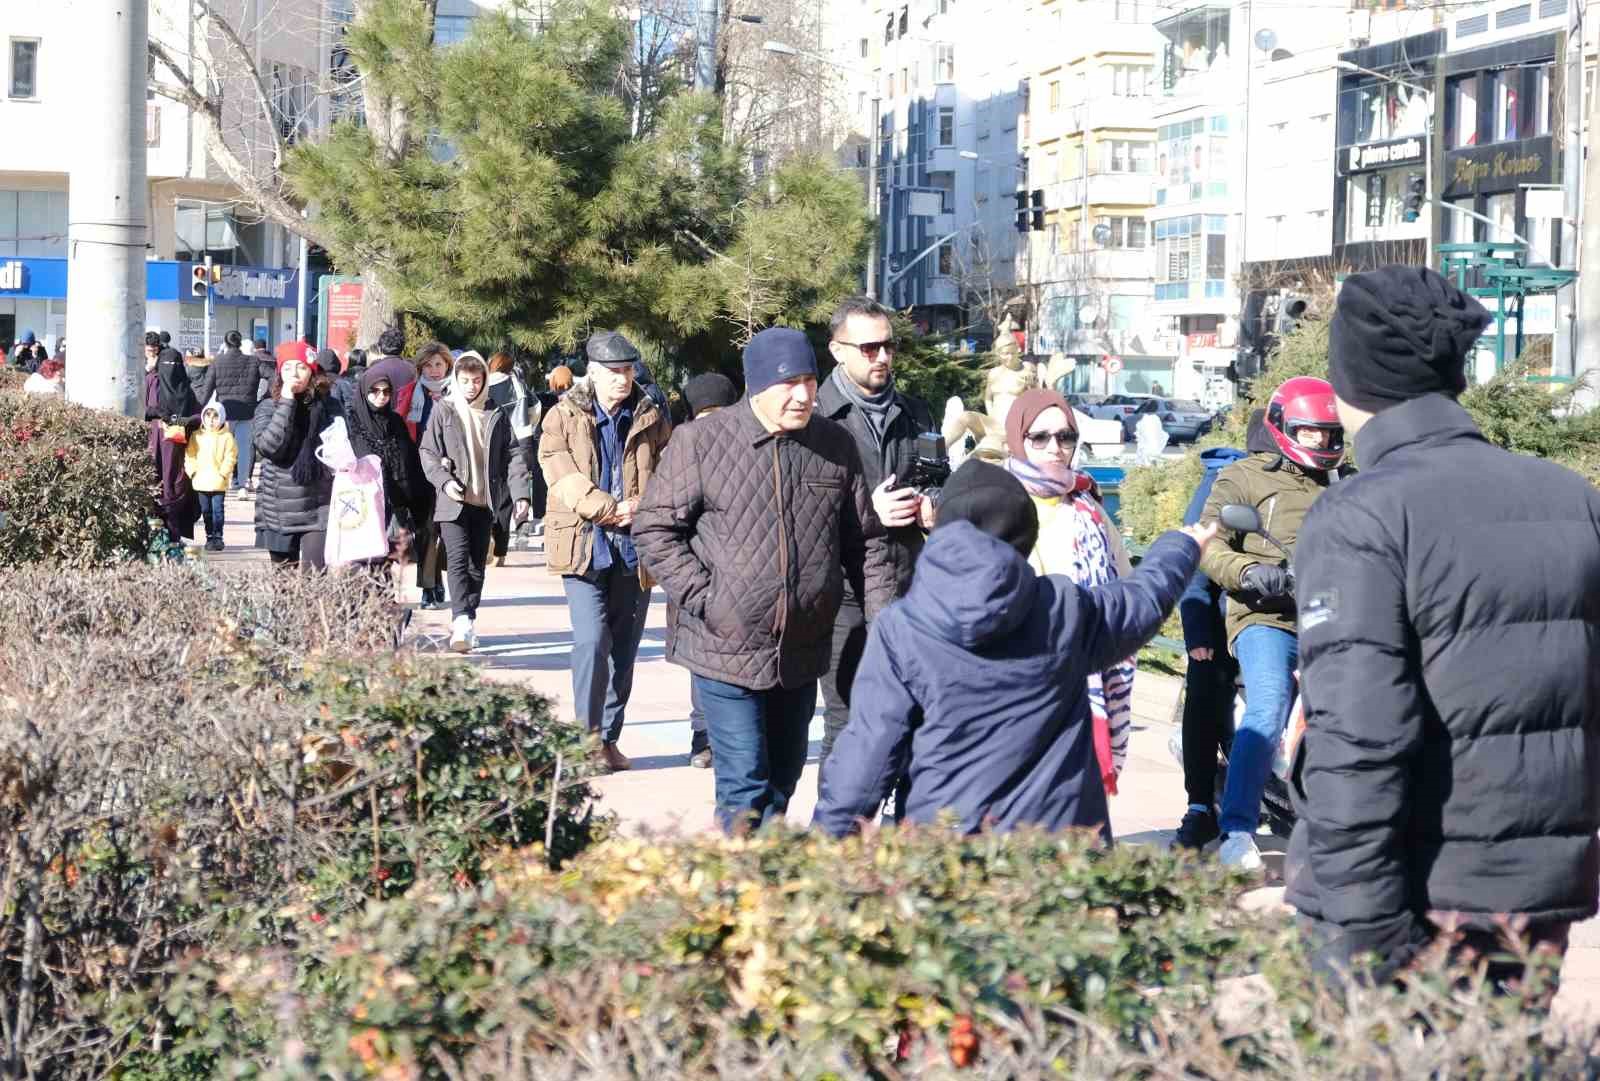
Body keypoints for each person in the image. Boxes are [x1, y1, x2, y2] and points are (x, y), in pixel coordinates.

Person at [1287, 265, 1600, 990]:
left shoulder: (1361, 515)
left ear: (1346, 381)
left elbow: (1358, 740)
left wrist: (1368, 933)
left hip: (1408, 900)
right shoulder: (1571, 498)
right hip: (1533, 905)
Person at [814, 460, 1215, 838]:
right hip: (1059, 850)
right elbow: (1139, 602)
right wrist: (1182, 546)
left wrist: (818, 858)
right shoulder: (1061, 608)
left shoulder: (902, 627)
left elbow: (866, 758)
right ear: (1024, 535)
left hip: (946, 851)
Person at [634, 327, 896, 832]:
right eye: (788, 384)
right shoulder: (701, 442)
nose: (802, 396)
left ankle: (769, 888)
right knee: (745, 786)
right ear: (756, 386)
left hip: (801, 650)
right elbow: (654, 528)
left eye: (810, 382)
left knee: (783, 778)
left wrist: (884, 623)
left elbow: (866, 541)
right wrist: (708, 598)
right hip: (724, 648)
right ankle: (743, 895)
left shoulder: (833, 444)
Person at [1199, 375, 1348, 872]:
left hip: (1340, 616)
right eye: (1312, 434)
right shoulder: (1245, 478)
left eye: (1331, 435)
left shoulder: (1352, 483)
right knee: (1268, 703)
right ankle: (1237, 832)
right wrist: (1248, 571)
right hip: (1269, 617)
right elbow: (1210, 542)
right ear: (1285, 427)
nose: (1324, 444)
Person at [814, 295, 938, 793]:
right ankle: (837, 844)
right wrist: (869, 513)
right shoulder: (815, 417)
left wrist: (935, 507)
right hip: (840, 591)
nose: (882, 357)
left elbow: (937, 478)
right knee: (847, 724)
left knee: (913, 717)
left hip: (908, 585)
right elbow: (796, 510)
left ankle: (903, 844)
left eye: (888, 346)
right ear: (838, 351)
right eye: (868, 348)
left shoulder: (915, 412)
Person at [537, 332, 670, 770]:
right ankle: (585, 739)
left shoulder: (650, 414)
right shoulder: (562, 415)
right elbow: (562, 474)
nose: (622, 379)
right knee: (592, 641)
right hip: (584, 544)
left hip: (635, 549)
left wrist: (646, 508)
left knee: (625, 652)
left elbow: (669, 471)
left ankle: (609, 738)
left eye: (629, 370)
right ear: (591, 372)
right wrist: (611, 510)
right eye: (614, 372)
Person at [1002, 388, 1135, 799]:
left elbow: (1125, 588)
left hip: (1083, 666)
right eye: (1039, 438)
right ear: (1017, 440)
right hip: (1018, 672)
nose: (1055, 448)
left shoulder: (1088, 506)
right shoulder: (996, 499)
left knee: (1076, 797)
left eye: (1065, 437)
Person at [1171, 420, 1253, 851]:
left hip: (1291, 616)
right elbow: (1195, 559)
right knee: (1204, 690)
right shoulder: (1224, 482)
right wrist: (1199, 631)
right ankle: (1200, 806)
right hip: (1226, 624)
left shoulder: (1322, 481)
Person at [420, 351, 533, 653]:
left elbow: (513, 456)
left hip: (486, 502)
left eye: (477, 380)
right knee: (456, 560)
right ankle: (460, 621)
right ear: (456, 380)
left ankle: (468, 617)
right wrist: (444, 482)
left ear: (484, 380)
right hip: (453, 500)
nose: (471, 386)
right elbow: (428, 452)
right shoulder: (444, 410)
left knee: (476, 565)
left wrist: (521, 494)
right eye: (465, 380)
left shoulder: (496, 412)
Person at [676, 371, 741, 768]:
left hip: (741, 574)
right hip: (696, 574)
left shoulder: (748, 448)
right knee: (701, 658)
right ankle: (703, 737)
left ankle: (727, 738)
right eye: (705, 416)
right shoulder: (681, 451)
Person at [253, 351, 342, 570]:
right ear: (279, 374)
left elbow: (341, 449)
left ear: (311, 372)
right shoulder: (267, 406)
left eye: (301, 367)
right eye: (287, 368)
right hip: (278, 507)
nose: (294, 374)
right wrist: (287, 401)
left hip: (318, 504)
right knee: (285, 586)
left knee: (315, 579)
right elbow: (269, 447)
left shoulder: (329, 406)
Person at [347, 359, 430, 575]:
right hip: (364, 503)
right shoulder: (353, 421)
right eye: (375, 391)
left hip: (395, 502)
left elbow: (410, 460)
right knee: (365, 559)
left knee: (386, 556)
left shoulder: (395, 421)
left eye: (386, 391)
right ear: (365, 392)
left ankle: (383, 603)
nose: (381, 396)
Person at [143, 331, 202, 544]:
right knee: (155, 485)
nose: (171, 369)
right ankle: (158, 535)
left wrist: (184, 421)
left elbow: (199, 415)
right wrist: (159, 413)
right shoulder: (151, 379)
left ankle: (173, 536)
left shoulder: (185, 389)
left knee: (174, 488)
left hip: (176, 450)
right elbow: (141, 407)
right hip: (153, 445)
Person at [486, 351, 541, 563]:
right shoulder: (517, 384)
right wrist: (529, 423)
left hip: (494, 440)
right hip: (522, 439)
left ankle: (490, 534)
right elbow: (535, 407)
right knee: (509, 494)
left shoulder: (484, 385)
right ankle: (501, 549)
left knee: (491, 490)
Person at [196, 330, 261, 492]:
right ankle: (242, 484)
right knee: (244, 448)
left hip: (224, 413)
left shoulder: (218, 362)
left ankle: (220, 480)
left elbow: (207, 390)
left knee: (221, 447)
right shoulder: (253, 361)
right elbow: (271, 375)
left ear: (225, 344)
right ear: (240, 343)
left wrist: (198, 408)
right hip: (247, 411)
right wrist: (264, 400)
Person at [184, 398, 238, 551]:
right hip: (201, 481)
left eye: (215, 417)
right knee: (206, 511)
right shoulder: (197, 435)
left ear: (221, 418)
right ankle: (209, 536)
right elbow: (190, 455)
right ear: (203, 417)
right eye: (208, 416)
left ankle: (218, 536)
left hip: (218, 481)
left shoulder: (227, 437)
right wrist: (193, 472)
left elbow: (231, 456)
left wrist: (223, 473)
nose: (211, 420)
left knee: (218, 511)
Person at [398, 340, 452, 443]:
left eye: (438, 364)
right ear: (421, 368)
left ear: (447, 365)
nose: (434, 370)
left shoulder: (457, 391)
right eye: (428, 365)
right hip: (419, 454)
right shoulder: (409, 393)